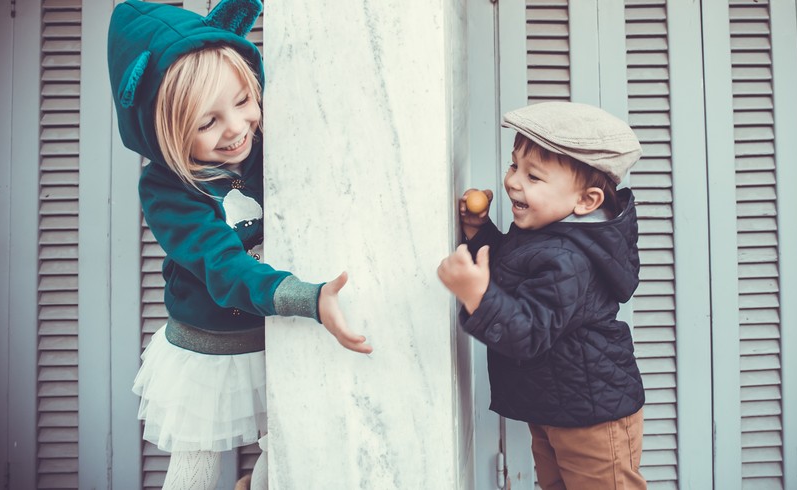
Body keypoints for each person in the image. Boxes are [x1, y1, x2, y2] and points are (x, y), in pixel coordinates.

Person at [107, 1, 372, 488]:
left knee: (284, 448)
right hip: (208, 346)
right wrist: (307, 297)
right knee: (197, 463)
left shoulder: (263, 146)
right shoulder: (168, 190)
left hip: (270, 336)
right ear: (163, 130)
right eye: (206, 122)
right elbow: (222, 266)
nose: (234, 128)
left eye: (243, 100)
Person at [437, 101, 647, 489]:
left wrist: (477, 296)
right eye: (515, 165)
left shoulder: (570, 258)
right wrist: (478, 234)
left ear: (586, 201)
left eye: (534, 177)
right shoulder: (549, 233)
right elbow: (514, 269)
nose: (514, 181)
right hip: (558, 407)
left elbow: (529, 331)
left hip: (594, 419)